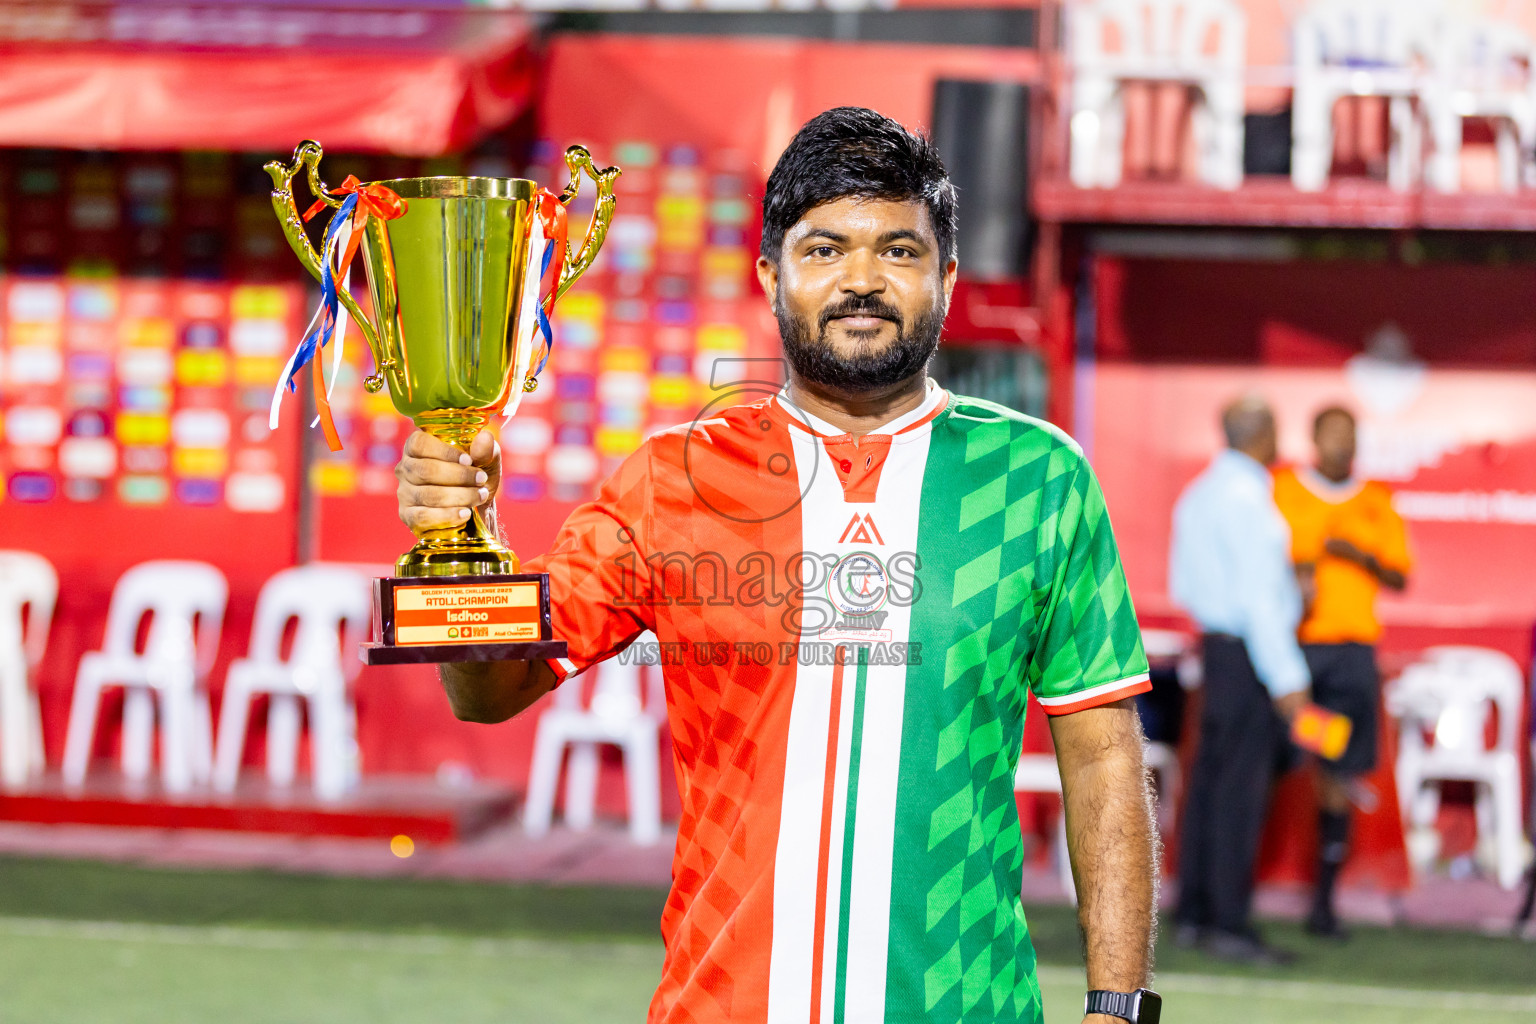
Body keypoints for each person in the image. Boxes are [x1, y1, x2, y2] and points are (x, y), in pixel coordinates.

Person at [397, 107, 1162, 1024]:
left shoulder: (1040, 479)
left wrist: (1119, 1007)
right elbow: (487, 694)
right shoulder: (672, 478)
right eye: (826, 249)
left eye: (900, 252)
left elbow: (1102, 753)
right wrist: (456, 541)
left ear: (948, 276)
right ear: (771, 274)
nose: (863, 281)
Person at [1168, 396, 1310, 966]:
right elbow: (1257, 601)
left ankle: (1195, 914)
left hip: (1217, 651)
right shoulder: (1248, 498)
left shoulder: (1201, 493)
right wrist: (1288, 677)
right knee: (1239, 795)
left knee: (1208, 787)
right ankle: (1230, 921)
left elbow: (1187, 583)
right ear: (1266, 435)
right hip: (1251, 657)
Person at [1273, 406, 1410, 940]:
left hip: (1353, 650)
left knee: (1338, 770)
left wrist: (1360, 556)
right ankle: (1231, 892)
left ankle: (1323, 904)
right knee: (1283, 752)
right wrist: (1296, 574)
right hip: (1297, 646)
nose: (1342, 446)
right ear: (1313, 437)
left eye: (1350, 437)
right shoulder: (1285, 490)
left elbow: (1399, 574)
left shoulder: (1377, 500)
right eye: (1333, 435)